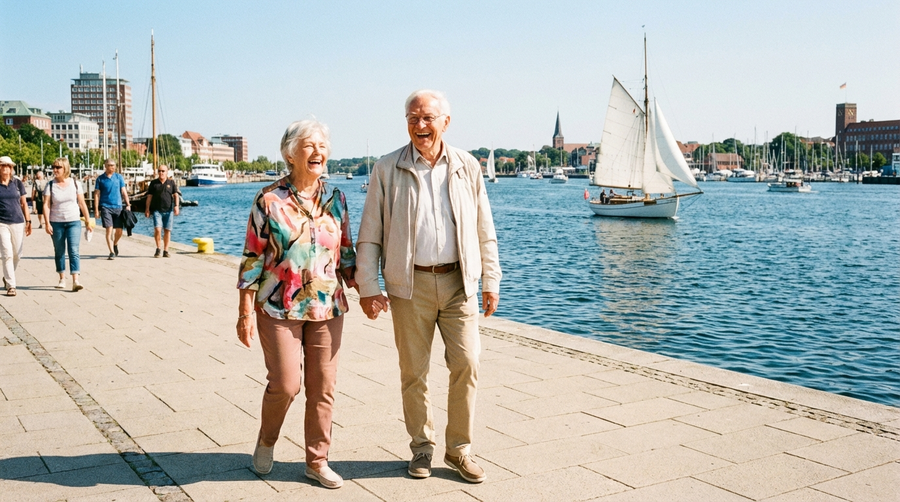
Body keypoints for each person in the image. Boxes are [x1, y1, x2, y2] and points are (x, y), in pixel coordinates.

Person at [356, 90, 501, 484]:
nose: (420, 126)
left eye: (428, 118)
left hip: (459, 282)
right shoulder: (387, 169)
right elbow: (369, 234)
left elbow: (484, 229)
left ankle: (459, 450)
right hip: (409, 284)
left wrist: (491, 278)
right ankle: (422, 447)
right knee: (413, 372)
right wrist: (368, 286)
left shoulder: (467, 166)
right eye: (413, 118)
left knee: (467, 362)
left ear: (445, 122)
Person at [236, 119, 357, 489]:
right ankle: (267, 440)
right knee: (286, 385)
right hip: (278, 305)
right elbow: (252, 259)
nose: (317, 151)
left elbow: (347, 252)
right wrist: (244, 313)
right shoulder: (269, 199)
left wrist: (369, 289)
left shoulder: (336, 199)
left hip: (327, 305)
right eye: (309, 145)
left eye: (322, 144)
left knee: (323, 386)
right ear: (291, 153)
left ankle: (316, 460)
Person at [43, 157, 94, 291]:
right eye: (54, 167)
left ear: (65, 168)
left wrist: (88, 221)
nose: (55, 170)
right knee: (59, 251)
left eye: (58, 167)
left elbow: (82, 203)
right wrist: (47, 223)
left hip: (73, 221)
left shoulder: (75, 183)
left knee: (74, 250)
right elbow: (46, 204)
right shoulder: (50, 185)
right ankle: (61, 278)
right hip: (56, 222)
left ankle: (75, 280)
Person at [0, 156, 31, 296]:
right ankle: (11, 285)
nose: (5, 168)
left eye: (8, 166)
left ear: (11, 168)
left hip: (18, 221)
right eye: (2, 165)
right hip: (2, 222)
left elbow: (24, 203)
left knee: (17, 254)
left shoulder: (17, 183)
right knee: (6, 254)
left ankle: (7, 276)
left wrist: (29, 221)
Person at [93, 159, 130, 260]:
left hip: (118, 207)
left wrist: (128, 204)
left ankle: (115, 244)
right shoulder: (100, 179)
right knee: (109, 230)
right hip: (106, 207)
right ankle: (111, 252)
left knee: (119, 231)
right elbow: (96, 194)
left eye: (113, 165)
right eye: (110, 165)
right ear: (105, 166)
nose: (112, 167)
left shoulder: (119, 177)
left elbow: (123, 191)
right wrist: (96, 209)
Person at [144, 164, 180, 257]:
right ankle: (158, 248)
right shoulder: (154, 183)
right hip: (157, 210)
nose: (161, 173)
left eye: (163, 171)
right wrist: (147, 209)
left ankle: (166, 250)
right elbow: (149, 197)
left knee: (167, 230)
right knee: (158, 229)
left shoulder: (171, 183)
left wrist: (176, 206)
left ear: (167, 172)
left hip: (169, 210)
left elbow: (176, 195)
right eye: (159, 171)